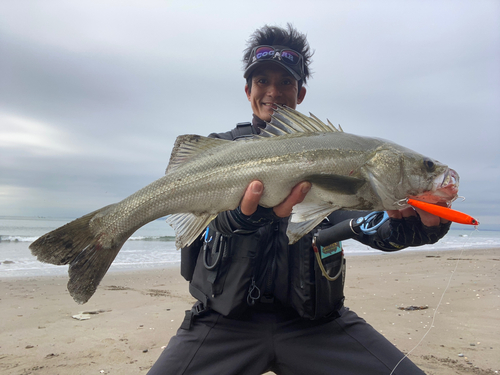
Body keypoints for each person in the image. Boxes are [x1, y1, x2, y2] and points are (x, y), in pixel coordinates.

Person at [147, 24, 450, 375]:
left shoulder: (338, 155)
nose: (273, 91)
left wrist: (417, 227)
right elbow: (209, 221)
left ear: (300, 93)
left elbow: (361, 224)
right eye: (262, 81)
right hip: (224, 323)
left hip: (316, 326)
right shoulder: (221, 148)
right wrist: (245, 218)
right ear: (248, 90)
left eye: (286, 82)